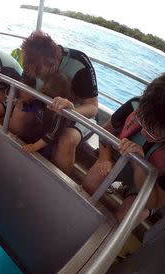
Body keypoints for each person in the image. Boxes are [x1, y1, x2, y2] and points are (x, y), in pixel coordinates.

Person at [82, 73, 165, 223]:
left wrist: (139, 165)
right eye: (141, 121)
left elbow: (155, 201)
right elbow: (106, 132)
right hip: (120, 161)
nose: (143, 132)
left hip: (151, 186)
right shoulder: (134, 105)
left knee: (124, 218)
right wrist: (104, 159)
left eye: (152, 132)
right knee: (90, 182)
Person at [9, 31, 98, 175]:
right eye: (31, 72)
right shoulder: (33, 63)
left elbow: (93, 108)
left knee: (66, 140)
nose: (36, 76)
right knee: (20, 111)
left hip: (78, 113)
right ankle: (10, 153)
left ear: (53, 61)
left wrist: (71, 110)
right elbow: (24, 94)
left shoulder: (80, 63)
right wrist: (22, 99)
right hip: (46, 106)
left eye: (39, 73)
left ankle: (58, 187)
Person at [21, 73, 74, 155]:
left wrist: (34, 147)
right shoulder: (41, 101)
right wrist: (25, 101)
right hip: (35, 133)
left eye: (51, 103)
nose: (48, 106)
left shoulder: (60, 115)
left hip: (45, 145)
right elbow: (28, 107)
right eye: (46, 98)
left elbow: (51, 136)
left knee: (46, 152)